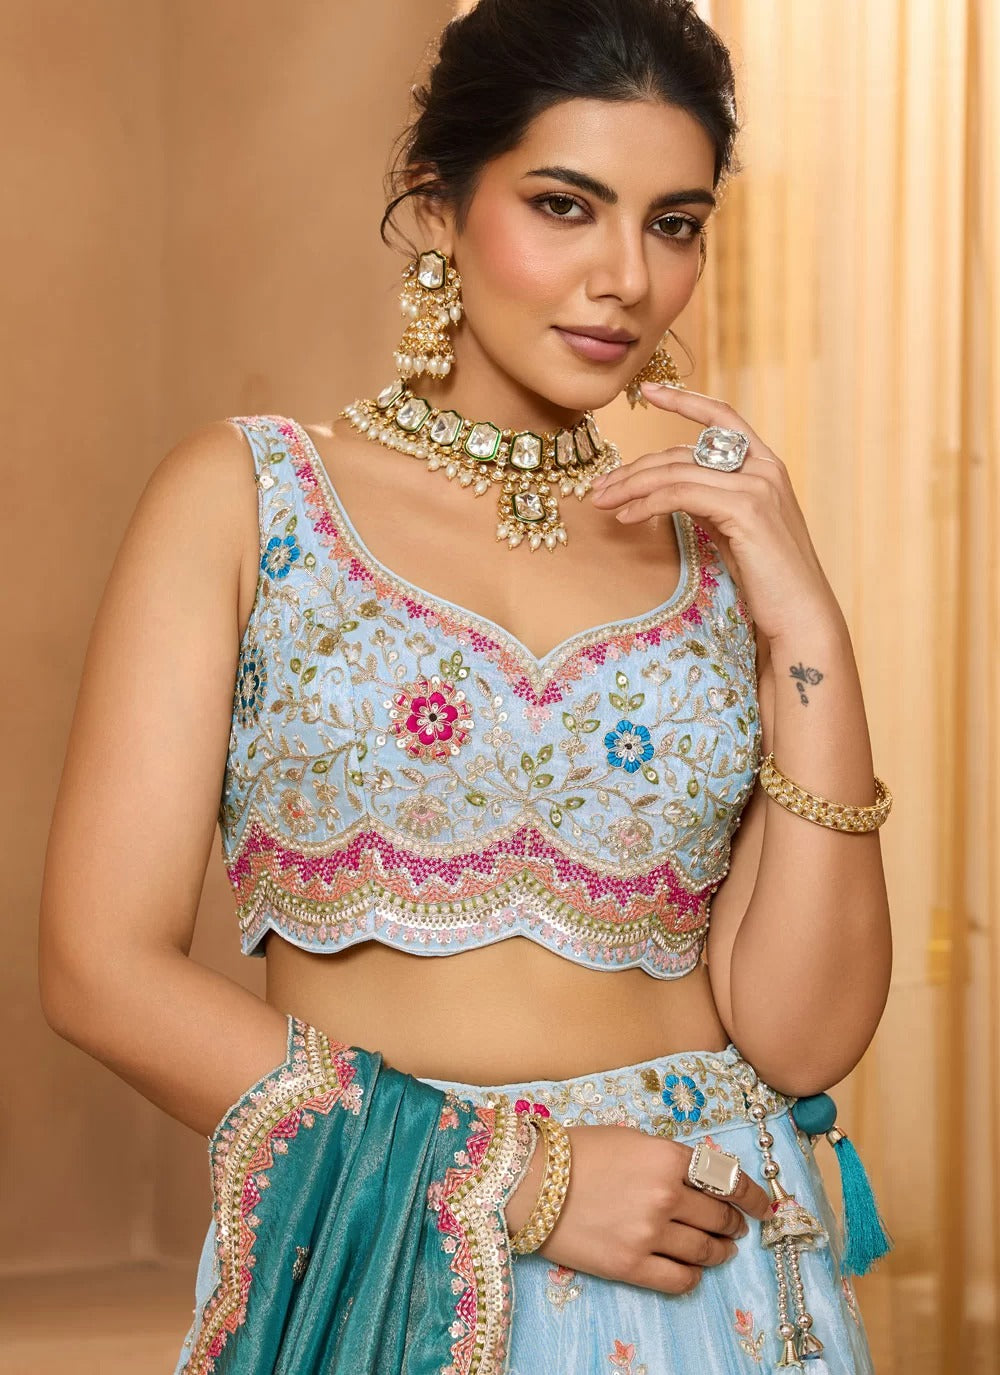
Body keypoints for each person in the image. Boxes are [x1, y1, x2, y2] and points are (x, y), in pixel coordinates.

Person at [38, 2, 894, 1371]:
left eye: (674, 223)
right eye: (567, 205)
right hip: (392, 1256)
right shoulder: (250, 500)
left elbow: (804, 1036)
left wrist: (809, 617)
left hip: (711, 1267)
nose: (627, 275)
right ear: (436, 206)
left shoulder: (717, 551)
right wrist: (524, 1180)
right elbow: (100, 974)